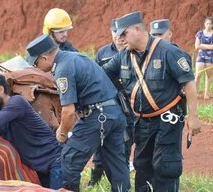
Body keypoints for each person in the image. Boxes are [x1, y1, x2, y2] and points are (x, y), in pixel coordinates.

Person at [103, 11, 201, 191]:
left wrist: (193, 117)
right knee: (142, 166)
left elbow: (188, 83)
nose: (120, 38)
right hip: (141, 122)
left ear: (138, 29)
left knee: (165, 166)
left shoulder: (168, 51)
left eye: (124, 34)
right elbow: (101, 75)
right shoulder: (123, 56)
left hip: (167, 121)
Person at [25, 34, 130, 192]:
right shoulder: (76, 56)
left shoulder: (62, 69)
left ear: (44, 58)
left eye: (35, 62)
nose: (35, 67)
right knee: (116, 164)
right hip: (115, 113)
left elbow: (68, 112)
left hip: (97, 116)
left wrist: (62, 133)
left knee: (69, 161)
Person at [0, 73, 62, 189]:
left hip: (57, 164)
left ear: (1, 89)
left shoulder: (17, 102)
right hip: (41, 169)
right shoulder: (1, 114)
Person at [87, 19, 134, 188]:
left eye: (122, 34)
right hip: (108, 102)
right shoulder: (103, 52)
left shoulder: (133, 51)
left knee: (128, 137)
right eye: (115, 34)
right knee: (101, 138)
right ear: (111, 34)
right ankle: (96, 174)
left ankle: (123, 169)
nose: (119, 38)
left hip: (129, 101)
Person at [195, 16, 213, 99]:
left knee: (208, 75)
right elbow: (196, 46)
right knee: (198, 75)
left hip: (210, 57)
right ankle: (194, 93)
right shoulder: (200, 33)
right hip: (200, 56)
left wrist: (203, 45)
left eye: (210, 24)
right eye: (207, 23)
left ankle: (206, 93)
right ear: (204, 24)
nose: (208, 25)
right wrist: (209, 46)